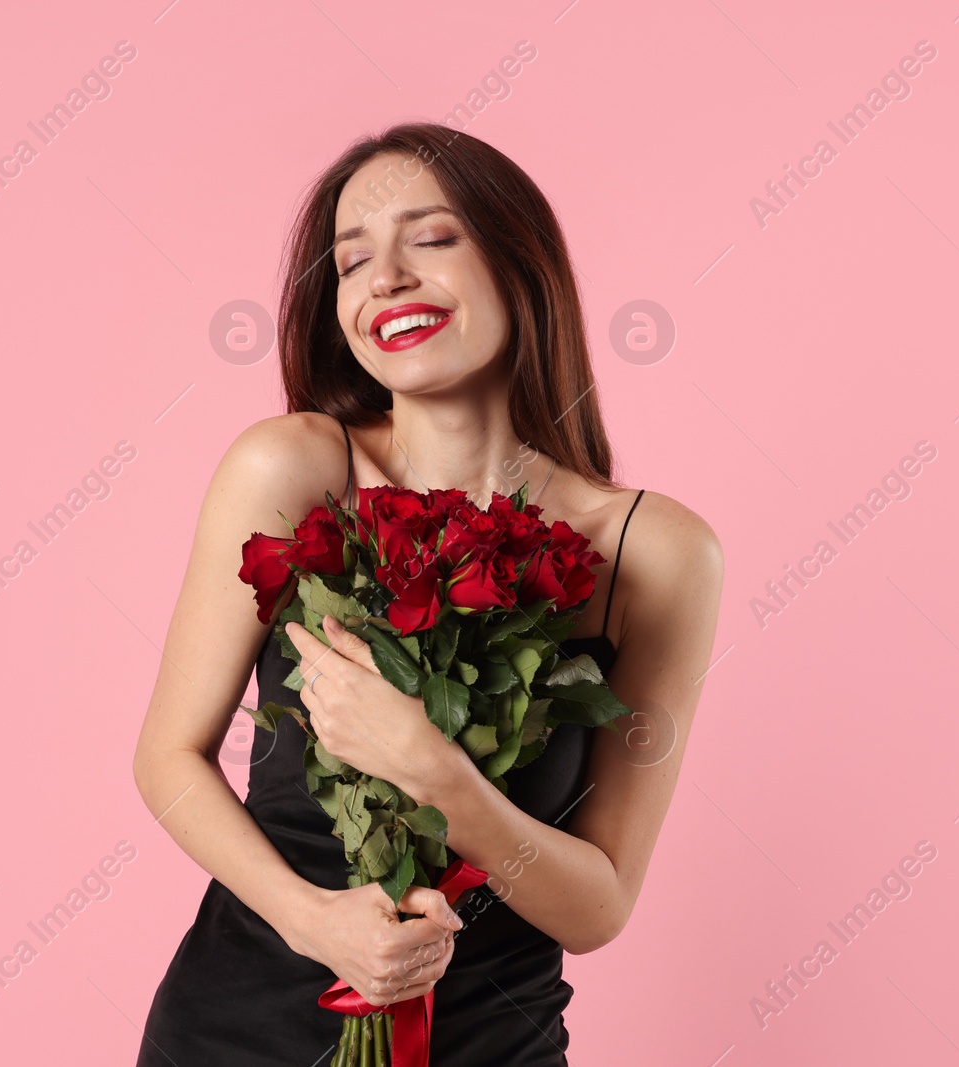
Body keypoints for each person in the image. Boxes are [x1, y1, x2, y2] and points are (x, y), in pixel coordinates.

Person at [131, 121, 724, 1065]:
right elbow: (168, 756)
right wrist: (316, 923)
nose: (387, 278)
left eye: (433, 238)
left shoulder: (654, 551)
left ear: (520, 264)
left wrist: (436, 772)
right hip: (236, 1031)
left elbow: (599, 904)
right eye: (352, 260)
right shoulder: (292, 468)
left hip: (495, 1043)